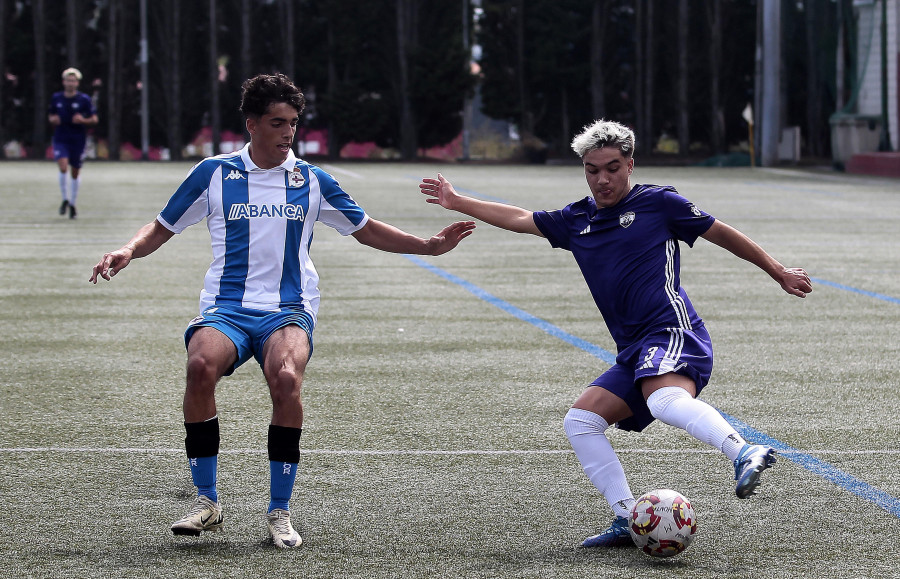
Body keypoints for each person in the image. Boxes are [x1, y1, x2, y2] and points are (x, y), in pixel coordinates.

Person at [89, 73, 475, 549]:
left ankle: (279, 510)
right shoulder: (213, 174)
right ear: (251, 125)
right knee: (199, 365)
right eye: (277, 122)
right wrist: (127, 250)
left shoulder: (312, 180)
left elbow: (366, 228)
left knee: (287, 379)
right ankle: (208, 502)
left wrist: (428, 246)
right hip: (227, 306)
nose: (288, 132)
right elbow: (163, 225)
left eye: (293, 122)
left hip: (287, 308)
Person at [420, 119, 811, 547]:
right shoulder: (577, 219)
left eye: (612, 167)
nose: (602, 179)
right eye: (592, 170)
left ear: (630, 165)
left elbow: (722, 233)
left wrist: (778, 271)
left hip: (673, 331)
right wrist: (457, 201)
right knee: (582, 421)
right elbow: (518, 217)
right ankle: (627, 517)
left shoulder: (659, 203)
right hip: (635, 350)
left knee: (663, 401)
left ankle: (743, 451)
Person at [48, 67, 98, 219]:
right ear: (64, 82)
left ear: (77, 83)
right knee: (63, 166)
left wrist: (83, 120)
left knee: (75, 171)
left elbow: (94, 119)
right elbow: (51, 116)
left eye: (73, 80)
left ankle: (72, 203)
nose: (71, 83)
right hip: (61, 138)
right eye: (68, 80)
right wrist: (53, 120)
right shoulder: (57, 98)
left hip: (77, 139)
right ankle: (64, 199)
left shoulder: (84, 99)